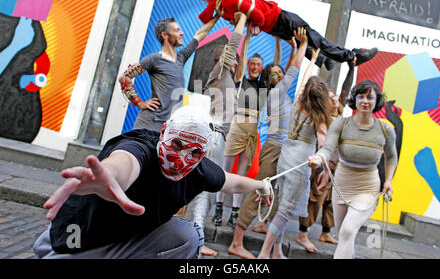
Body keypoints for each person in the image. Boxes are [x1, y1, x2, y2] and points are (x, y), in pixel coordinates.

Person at [32, 105, 272, 259]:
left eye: (196, 152)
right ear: (164, 130)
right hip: (77, 241)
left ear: (204, 153)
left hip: (125, 240)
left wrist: (261, 185)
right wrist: (109, 176)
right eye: (177, 144)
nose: (181, 160)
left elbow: (230, 182)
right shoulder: (142, 148)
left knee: (189, 236)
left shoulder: (199, 168)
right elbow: (125, 162)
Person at [227, 28, 308, 259]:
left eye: (278, 73)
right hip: (274, 150)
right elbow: (293, 69)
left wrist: (293, 48)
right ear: (268, 79)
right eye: (272, 74)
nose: (278, 76)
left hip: (285, 150)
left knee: (278, 195)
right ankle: (236, 242)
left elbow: (287, 68)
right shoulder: (274, 93)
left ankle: (270, 236)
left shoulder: (283, 94)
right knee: (259, 191)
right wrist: (301, 45)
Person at [192, 0, 378, 71]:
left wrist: (256, 24)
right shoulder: (227, 1)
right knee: (313, 37)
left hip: (273, 25)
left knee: (303, 42)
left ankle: (324, 60)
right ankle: (352, 56)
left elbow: (252, 20)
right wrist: (258, 23)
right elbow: (258, 16)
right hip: (276, 18)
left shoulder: (222, 10)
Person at [308, 80, 397, 259]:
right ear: (354, 99)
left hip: (367, 187)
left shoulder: (385, 129)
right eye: (361, 96)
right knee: (344, 236)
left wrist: (388, 181)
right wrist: (318, 157)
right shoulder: (341, 125)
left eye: (370, 97)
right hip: (341, 185)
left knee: (347, 231)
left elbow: (391, 157)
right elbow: (327, 148)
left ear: (376, 101)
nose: (365, 101)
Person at [187, 6, 247, 256]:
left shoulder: (230, 78)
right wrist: (242, 20)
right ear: (222, 59)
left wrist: (249, 33)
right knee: (205, 187)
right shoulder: (218, 72)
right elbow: (233, 47)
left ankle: (195, 238)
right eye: (229, 56)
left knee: (208, 187)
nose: (233, 58)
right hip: (213, 136)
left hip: (217, 137)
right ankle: (197, 241)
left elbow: (239, 58)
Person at [257, 70, 332, 259]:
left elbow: (304, 80)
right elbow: (323, 146)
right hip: (299, 166)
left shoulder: (298, 101)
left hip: (285, 159)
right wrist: (321, 163)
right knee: (285, 211)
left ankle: (277, 251)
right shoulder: (320, 117)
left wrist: (312, 61)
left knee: (283, 206)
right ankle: (265, 253)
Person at [118, 11, 220, 132]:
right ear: (165, 35)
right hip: (149, 124)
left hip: (169, 126)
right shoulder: (154, 59)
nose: (182, 33)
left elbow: (200, 34)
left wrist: (217, 15)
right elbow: (125, 77)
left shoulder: (181, 57)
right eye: (177, 30)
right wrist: (140, 103)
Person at [296, 61, 356, 252]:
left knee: (332, 200)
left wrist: (352, 67)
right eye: (330, 98)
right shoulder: (323, 117)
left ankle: (326, 232)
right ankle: (303, 233)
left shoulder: (341, 116)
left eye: (335, 97)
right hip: (324, 163)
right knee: (315, 198)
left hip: (339, 164)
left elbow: (346, 92)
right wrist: (321, 167)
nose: (335, 100)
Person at [211, 30, 267, 230]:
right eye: (252, 63)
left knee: (242, 175)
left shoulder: (263, 86)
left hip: (251, 133)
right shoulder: (240, 79)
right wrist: (248, 36)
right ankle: (218, 209)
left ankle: (234, 214)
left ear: (261, 69)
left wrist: (278, 41)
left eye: (258, 65)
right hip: (235, 127)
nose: (254, 66)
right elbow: (242, 56)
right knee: (224, 171)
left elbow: (278, 66)